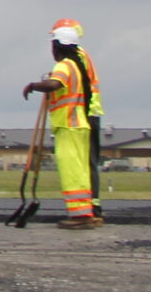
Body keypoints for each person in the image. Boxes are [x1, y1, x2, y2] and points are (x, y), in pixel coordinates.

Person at [23, 22, 104, 229]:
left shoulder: (65, 66)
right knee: (81, 170)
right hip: (80, 124)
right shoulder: (77, 65)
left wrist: (34, 86)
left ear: (57, 46)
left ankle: (81, 216)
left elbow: (55, 84)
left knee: (72, 171)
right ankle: (88, 211)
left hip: (69, 125)